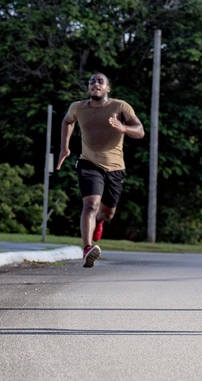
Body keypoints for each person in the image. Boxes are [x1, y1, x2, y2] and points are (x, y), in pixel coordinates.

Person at [57, 73, 145, 268]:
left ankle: (100, 220)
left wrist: (123, 127)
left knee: (107, 213)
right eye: (92, 81)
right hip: (89, 163)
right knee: (90, 204)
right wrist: (65, 147)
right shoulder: (77, 108)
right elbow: (67, 121)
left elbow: (140, 131)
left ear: (107, 88)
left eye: (100, 81)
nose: (95, 84)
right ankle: (88, 248)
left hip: (115, 168)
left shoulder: (120, 106)